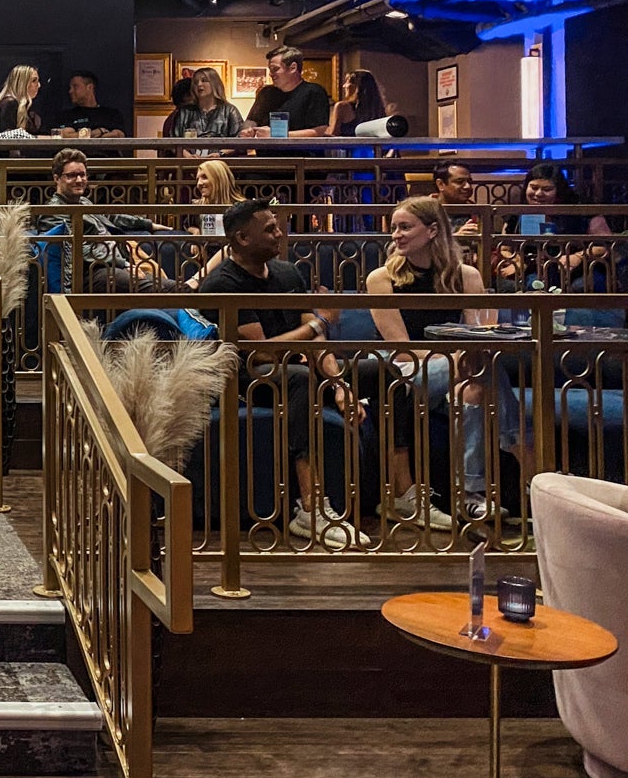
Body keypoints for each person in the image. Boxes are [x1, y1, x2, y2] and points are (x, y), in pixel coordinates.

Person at [196, 197, 374, 549]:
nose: (280, 233)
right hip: (244, 378)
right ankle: (310, 508)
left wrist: (339, 385)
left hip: (295, 366)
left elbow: (315, 333)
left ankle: (403, 495)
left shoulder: (287, 272)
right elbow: (261, 352)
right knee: (298, 377)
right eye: (270, 229)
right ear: (242, 239)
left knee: (379, 372)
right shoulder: (223, 284)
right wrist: (319, 322)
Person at [366, 196, 529, 526]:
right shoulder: (380, 278)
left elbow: (479, 335)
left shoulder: (466, 275)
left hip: (460, 371)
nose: (396, 235)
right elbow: (400, 348)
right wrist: (457, 357)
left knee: (474, 388)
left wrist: (466, 355)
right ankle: (528, 461)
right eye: (393, 228)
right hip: (406, 372)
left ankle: (467, 494)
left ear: (432, 230)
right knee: (479, 368)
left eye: (405, 227)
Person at [43, 148, 180, 292]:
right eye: (71, 175)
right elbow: (79, 249)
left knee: (174, 286)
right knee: (161, 290)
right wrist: (122, 264)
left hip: (113, 263)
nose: (79, 180)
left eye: (82, 175)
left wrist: (148, 224)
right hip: (91, 273)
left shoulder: (83, 201)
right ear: (56, 178)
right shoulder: (53, 212)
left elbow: (109, 217)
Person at [496, 164, 613, 289]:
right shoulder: (516, 214)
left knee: (582, 286)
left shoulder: (581, 209)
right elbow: (504, 249)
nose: (539, 194)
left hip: (578, 270)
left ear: (559, 191)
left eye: (547, 189)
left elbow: (604, 245)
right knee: (525, 286)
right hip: (531, 270)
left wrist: (577, 257)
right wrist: (517, 261)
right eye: (534, 188)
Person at [242, 47, 331, 138]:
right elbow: (252, 120)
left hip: (300, 152)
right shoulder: (266, 93)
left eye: (275, 69)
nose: (270, 74)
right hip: (268, 152)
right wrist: (248, 130)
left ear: (293, 68)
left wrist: (277, 136)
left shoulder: (314, 92)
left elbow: (318, 131)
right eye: (270, 69)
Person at [171, 67, 245, 150]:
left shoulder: (230, 111)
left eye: (204, 80)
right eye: (195, 82)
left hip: (221, 161)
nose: (199, 84)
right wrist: (188, 157)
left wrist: (220, 154)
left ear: (214, 83)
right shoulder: (185, 112)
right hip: (190, 161)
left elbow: (240, 142)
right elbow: (173, 142)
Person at [50, 71, 126, 136]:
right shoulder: (65, 116)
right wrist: (98, 132)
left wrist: (77, 134)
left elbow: (118, 135)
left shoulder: (111, 115)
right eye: (70, 87)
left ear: (89, 87)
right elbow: (63, 135)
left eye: (75, 86)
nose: (70, 91)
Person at [0, 65, 44, 137]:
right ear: (21, 83)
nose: (38, 85)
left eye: (38, 81)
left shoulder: (24, 107)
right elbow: (9, 137)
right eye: (34, 81)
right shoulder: (9, 103)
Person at [328, 69, 386, 138]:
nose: (344, 86)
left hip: (347, 147)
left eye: (347, 82)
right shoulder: (378, 109)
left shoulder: (342, 107)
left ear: (356, 87)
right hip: (371, 148)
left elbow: (333, 134)